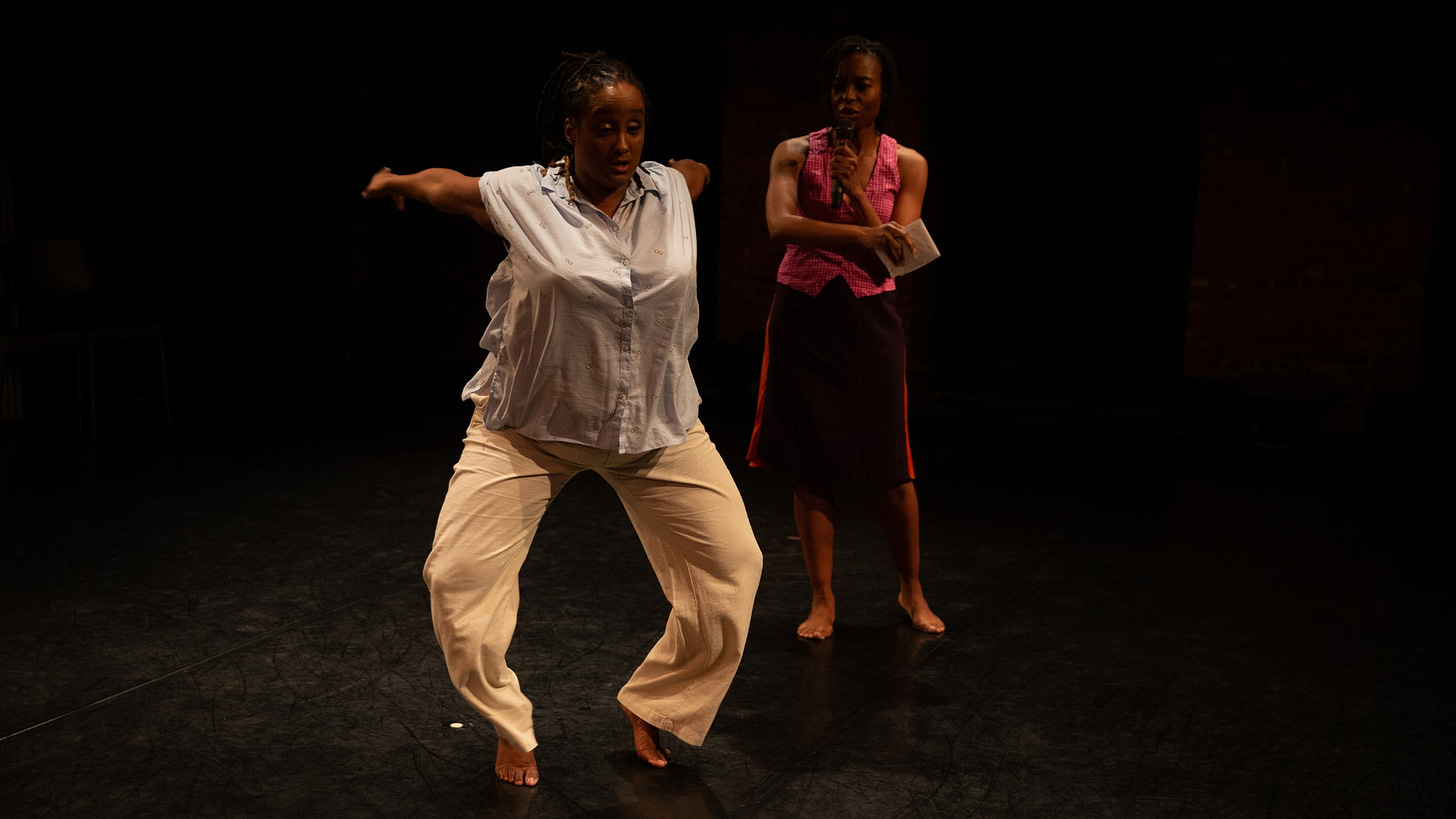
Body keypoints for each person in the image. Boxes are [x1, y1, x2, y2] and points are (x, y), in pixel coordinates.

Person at [361, 52, 763, 787]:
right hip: (531, 424)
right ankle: (510, 723)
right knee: (455, 577)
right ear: (571, 131)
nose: (621, 143)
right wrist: (400, 184)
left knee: (734, 568)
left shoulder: (670, 189)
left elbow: (696, 173)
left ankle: (659, 702)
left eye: (634, 127)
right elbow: (451, 190)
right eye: (604, 127)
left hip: (656, 425)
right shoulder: (525, 195)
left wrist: (691, 169)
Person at [748, 36, 944, 640]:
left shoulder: (907, 163)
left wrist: (856, 191)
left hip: (869, 316)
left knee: (892, 464)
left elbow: (900, 260)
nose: (850, 96)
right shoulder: (792, 153)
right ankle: (822, 598)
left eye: (863, 85)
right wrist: (864, 235)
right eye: (840, 85)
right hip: (804, 310)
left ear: (884, 93)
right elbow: (780, 225)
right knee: (811, 461)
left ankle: (911, 588)